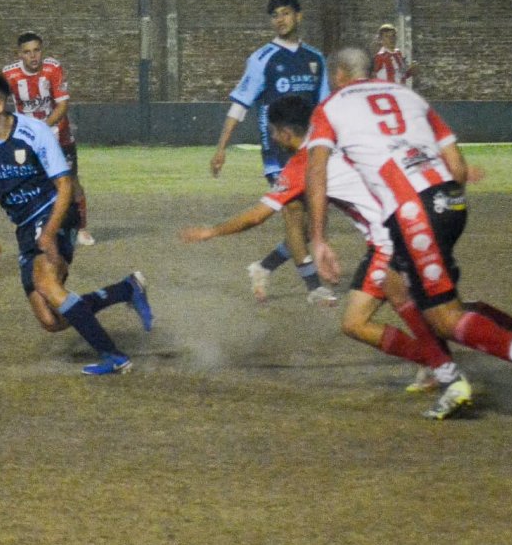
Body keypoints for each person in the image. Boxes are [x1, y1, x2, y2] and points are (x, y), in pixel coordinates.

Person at [306, 48, 512, 419]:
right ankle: (450, 378)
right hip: (450, 202)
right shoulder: (409, 95)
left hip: (413, 211)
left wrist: (319, 239)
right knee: (394, 283)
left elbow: (316, 171)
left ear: (337, 75)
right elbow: (458, 168)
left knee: (444, 317)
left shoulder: (329, 108)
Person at [184, 95, 459, 391]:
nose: (272, 138)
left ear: (286, 133)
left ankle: (437, 362)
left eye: (273, 132)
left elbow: (257, 216)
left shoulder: (303, 164)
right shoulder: (336, 139)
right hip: (417, 217)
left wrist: (211, 232)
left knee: (358, 323)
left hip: (390, 238)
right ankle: (439, 359)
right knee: (424, 306)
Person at [0, 72, 152, 375]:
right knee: (51, 320)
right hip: (25, 227)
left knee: (45, 282)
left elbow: (65, 186)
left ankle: (114, 356)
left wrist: (49, 233)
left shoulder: (35, 132)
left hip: (56, 211)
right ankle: (125, 290)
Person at [209, 0, 334, 306]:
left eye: (286, 13)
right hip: (278, 151)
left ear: (298, 16)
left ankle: (263, 267)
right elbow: (240, 105)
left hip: (311, 152)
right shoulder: (262, 58)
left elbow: (325, 108)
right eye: (275, 15)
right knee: (293, 211)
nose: (280, 19)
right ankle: (314, 287)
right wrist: (221, 148)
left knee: (310, 228)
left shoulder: (316, 59)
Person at [3, 32, 95, 246]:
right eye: (27, 52)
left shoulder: (53, 68)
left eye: (37, 50)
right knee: (29, 184)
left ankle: (81, 228)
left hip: (59, 135)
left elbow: (62, 105)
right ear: (19, 54)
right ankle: (36, 227)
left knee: (70, 181)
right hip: (28, 141)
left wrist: (41, 129)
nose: (33, 56)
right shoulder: (9, 74)